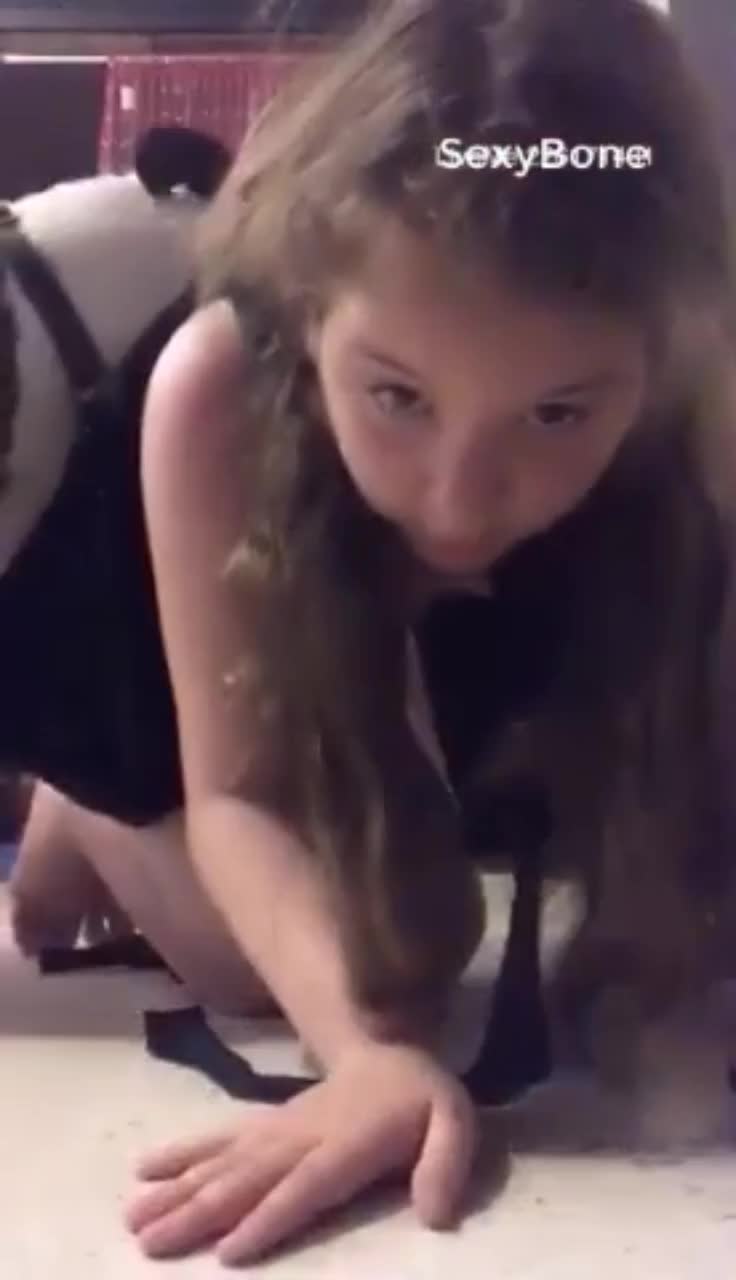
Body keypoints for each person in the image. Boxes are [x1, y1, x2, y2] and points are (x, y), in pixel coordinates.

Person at [10, 0, 736, 1264]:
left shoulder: (700, 403)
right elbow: (238, 791)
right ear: (311, 307)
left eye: (558, 412)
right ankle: (95, 804)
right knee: (286, 966)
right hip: (197, 587)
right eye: (398, 392)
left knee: (546, 902)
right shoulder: (216, 381)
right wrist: (363, 1056)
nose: (461, 498)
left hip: (492, 600)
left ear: (665, 349)